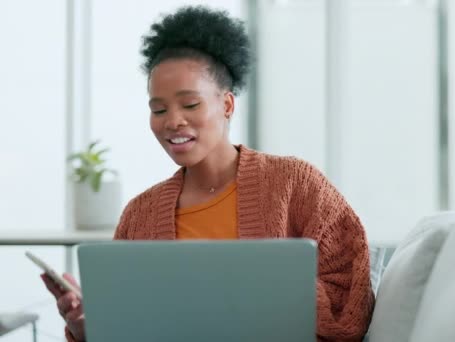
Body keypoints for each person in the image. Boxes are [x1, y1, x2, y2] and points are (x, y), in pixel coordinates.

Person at [42, 5, 374, 341]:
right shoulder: (139, 215)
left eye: (190, 104)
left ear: (227, 105)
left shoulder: (296, 183)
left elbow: (348, 298)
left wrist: (267, 298)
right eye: (158, 109)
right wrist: (86, 327)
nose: (172, 121)